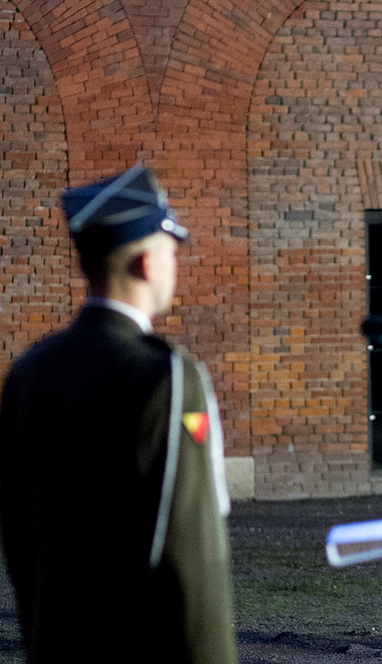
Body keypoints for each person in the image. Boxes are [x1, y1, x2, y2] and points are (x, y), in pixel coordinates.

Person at [0, 164, 238, 663]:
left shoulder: (30, 373)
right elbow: (191, 557)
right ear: (147, 263)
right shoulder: (167, 379)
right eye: (171, 250)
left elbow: (22, 543)